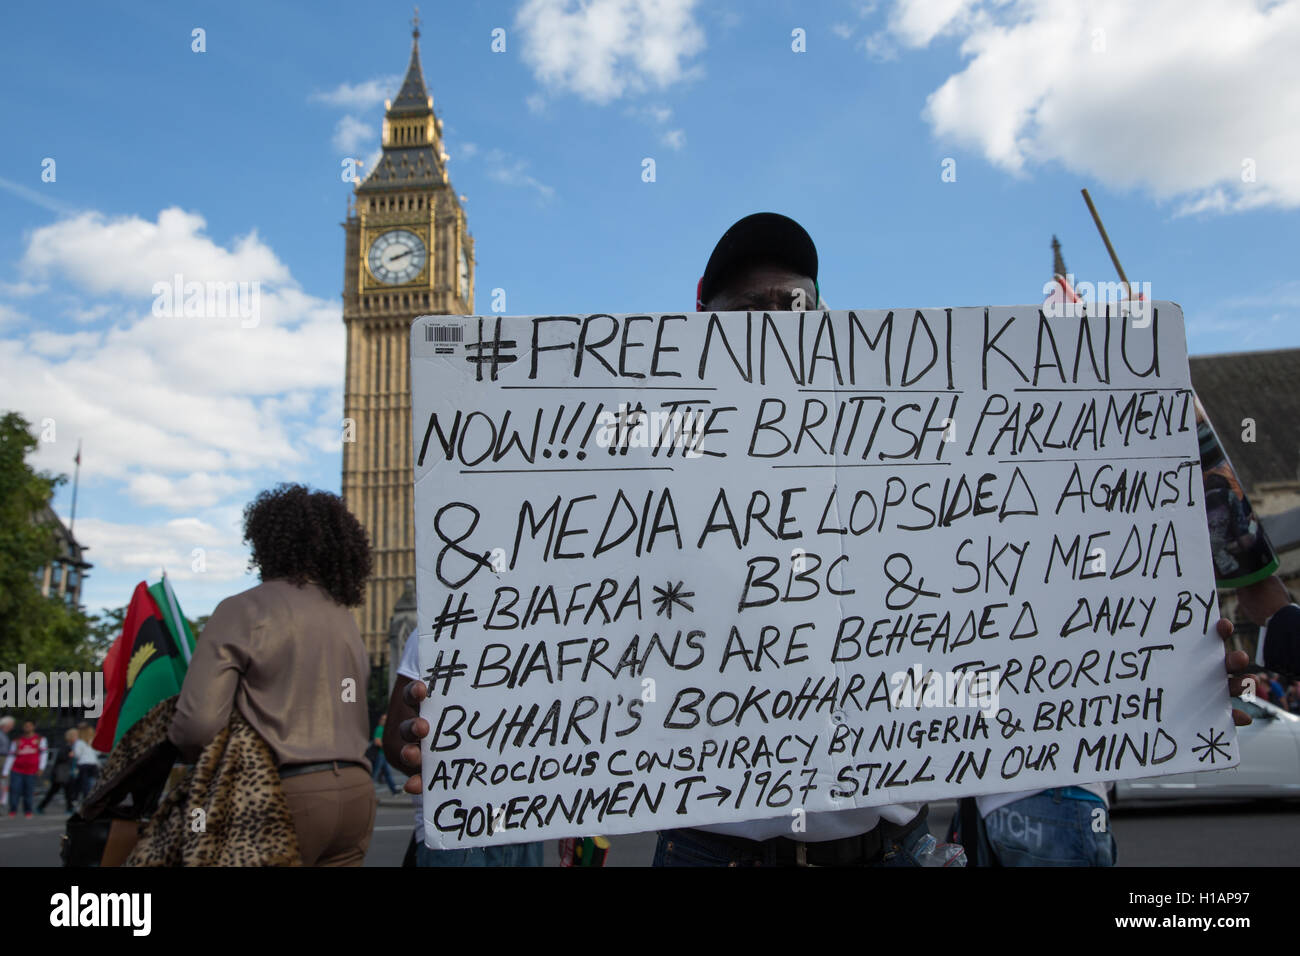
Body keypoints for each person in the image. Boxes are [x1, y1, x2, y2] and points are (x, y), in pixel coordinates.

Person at [392, 212, 1256, 866]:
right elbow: (522, 582)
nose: (774, 325)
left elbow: (1012, 623)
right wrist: (425, 699)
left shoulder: (918, 464)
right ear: (695, 326)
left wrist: (1156, 659)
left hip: (889, 849)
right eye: (747, 310)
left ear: (826, 318)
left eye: (793, 304)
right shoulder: (626, 469)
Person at [169, 483, 377, 866]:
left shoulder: (242, 609)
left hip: (279, 796)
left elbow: (197, 725)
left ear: (266, 542)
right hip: (356, 795)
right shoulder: (345, 619)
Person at [382, 628, 546, 866]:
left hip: (526, 827)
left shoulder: (542, 632)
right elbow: (394, 740)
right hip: (456, 831)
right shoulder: (434, 629)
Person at [4, 721, 47, 818]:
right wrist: (6, 771)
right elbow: (11, 755)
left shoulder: (40, 739)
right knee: (14, 790)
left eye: (29, 726)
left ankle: (28, 811)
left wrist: (41, 768)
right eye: (25, 726)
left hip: (31, 770)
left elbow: (44, 754)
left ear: (33, 727)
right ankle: (13, 810)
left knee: (29, 791)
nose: (27, 727)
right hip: (17, 769)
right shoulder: (17, 740)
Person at [38, 729, 79, 815]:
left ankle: (42, 806)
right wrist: (70, 755)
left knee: (62, 791)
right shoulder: (66, 747)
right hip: (61, 773)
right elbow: (61, 758)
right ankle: (41, 807)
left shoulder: (71, 747)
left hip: (65, 772)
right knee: (60, 791)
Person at [371, 714, 400, 795]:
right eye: (384, 719)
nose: (385, 721)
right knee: (375, 774)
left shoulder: (383, 729)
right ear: (380, 720)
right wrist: (386, 747)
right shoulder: (379, 729)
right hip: (380, 755)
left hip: (383, 754)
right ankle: (369, 790)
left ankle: (394, 790)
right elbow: (377, 741)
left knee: (387, 773)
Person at [72, 722, 99, 803]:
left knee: (84, 783)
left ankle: (86, 799)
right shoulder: (92, 740)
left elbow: (77, 754)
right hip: (93, 763)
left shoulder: (79, 742)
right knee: (92, 782)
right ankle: (92, 797)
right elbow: (97, 752)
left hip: (83, 764)